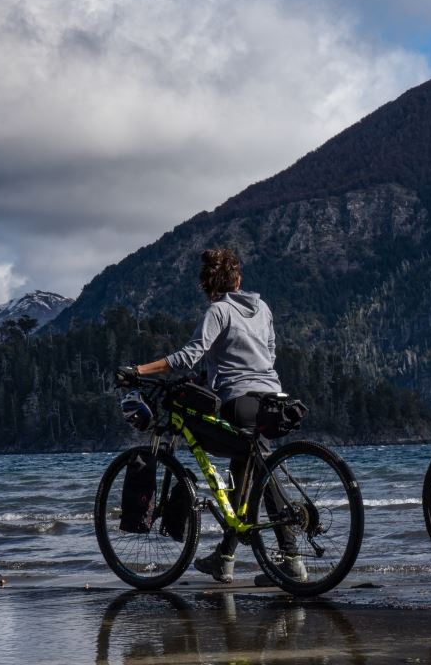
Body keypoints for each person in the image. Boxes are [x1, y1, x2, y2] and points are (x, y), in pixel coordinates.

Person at [116, 248, 304, 587]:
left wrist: (139, 370)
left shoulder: (218, 311)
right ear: (238, 279)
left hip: (241, 402)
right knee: (246, 466)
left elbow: (189, 355)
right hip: (274, 398)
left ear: (208, 285)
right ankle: (226, 557)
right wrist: (222, 376)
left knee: (242, 458)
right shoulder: (262, 308)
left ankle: (291, 559)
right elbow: (270, 352)